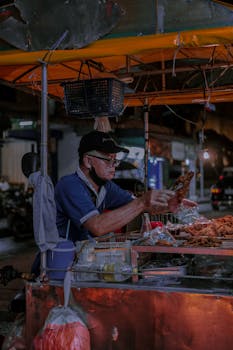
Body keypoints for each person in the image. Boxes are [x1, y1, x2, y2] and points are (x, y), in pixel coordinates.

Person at [55, 130, 195, 243]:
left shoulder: (106, 187)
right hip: (61, 260)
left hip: (84, 257)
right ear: (88, 161)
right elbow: (97, 226)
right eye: (108, 160)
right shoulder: (69, 185)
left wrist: (168, 204)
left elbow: (141, 206)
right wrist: (142, 201)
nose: (113, 166)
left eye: (115, 161)